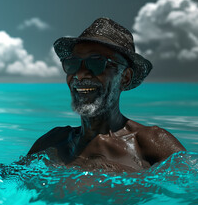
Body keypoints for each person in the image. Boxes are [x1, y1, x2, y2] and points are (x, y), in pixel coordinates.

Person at [26, 18, 186, 172]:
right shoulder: (52, 142)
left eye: (96, 62)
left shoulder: (151, 143)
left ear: (125, 77)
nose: (80, 74)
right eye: (72, 63)